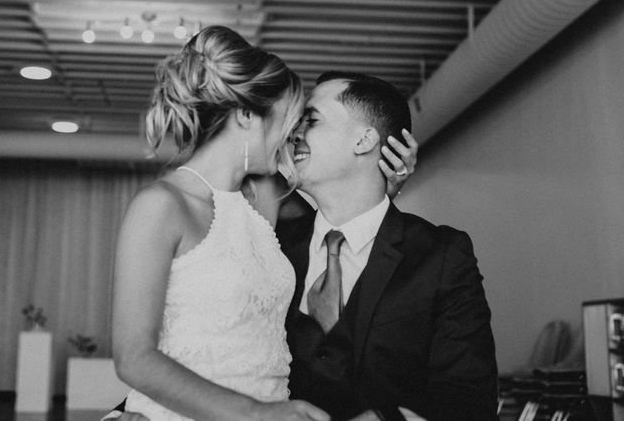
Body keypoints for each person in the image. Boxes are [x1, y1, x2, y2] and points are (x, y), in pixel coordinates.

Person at [111, 27, 416, 421]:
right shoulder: (160, 205)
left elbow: (346, 219)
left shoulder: (264, 201)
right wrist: (256, 413)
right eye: (289, 120)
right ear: (245, 116)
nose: (295, 135)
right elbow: (134, 357)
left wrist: (383, 184)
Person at [280, 72, 498, 421]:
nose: (294, 132)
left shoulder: (440, 255)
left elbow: (469, 398)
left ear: (364, 140)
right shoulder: (273, 245)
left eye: (312, 120)